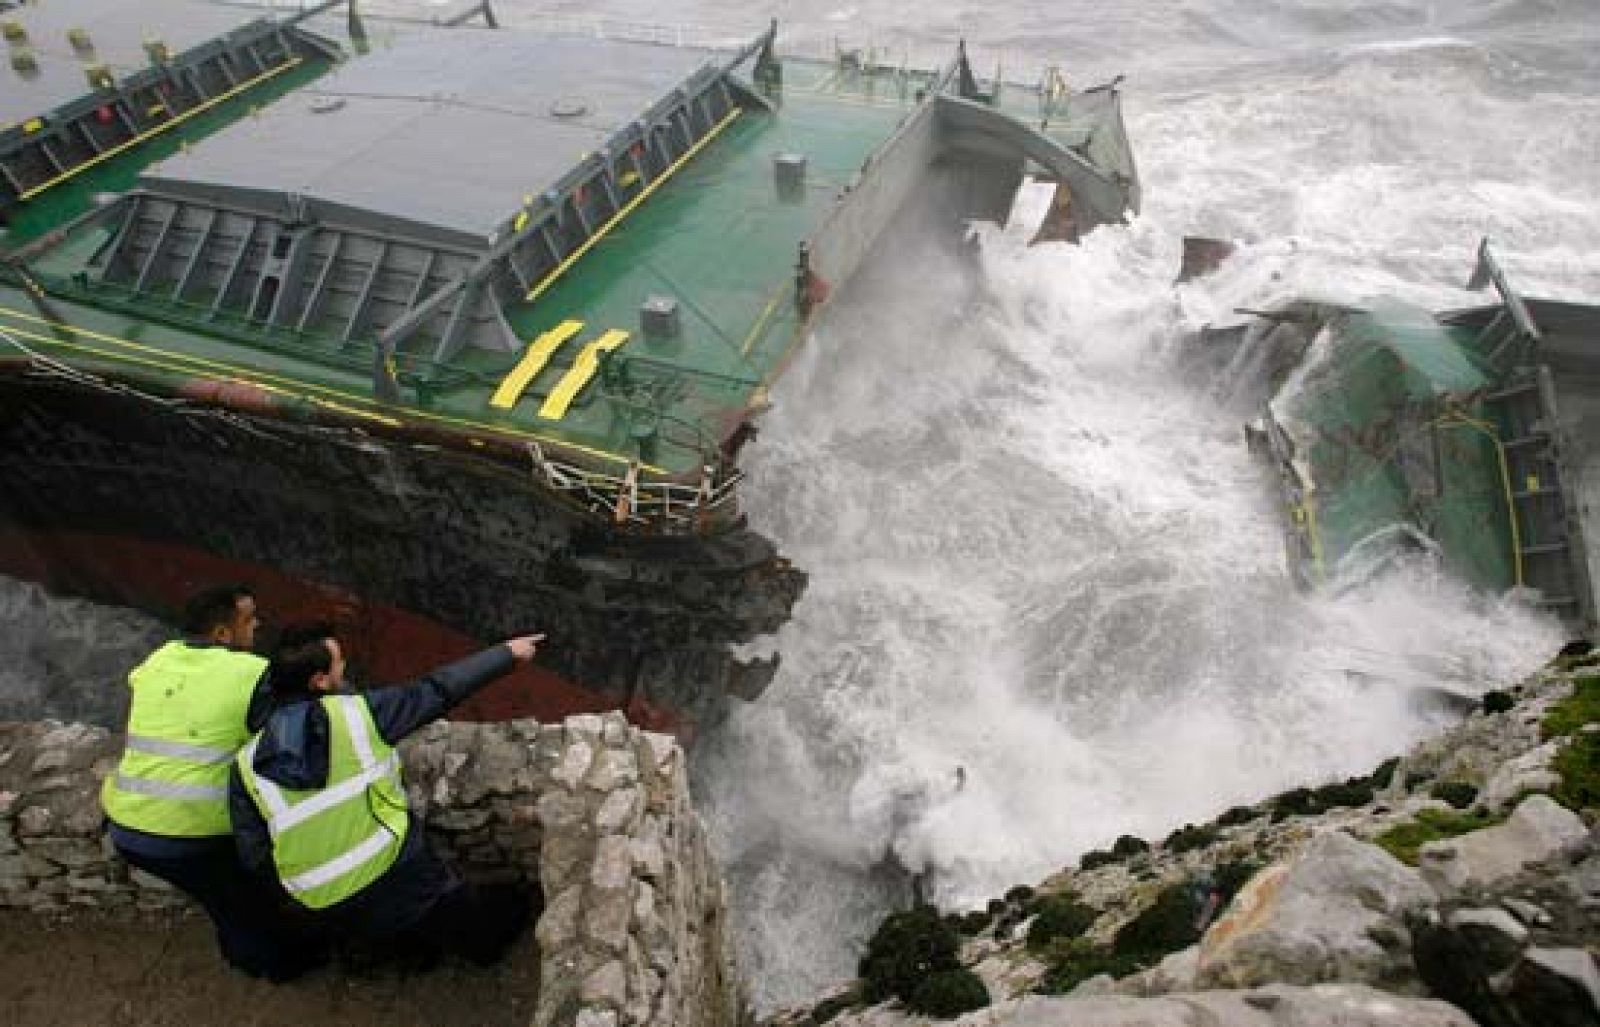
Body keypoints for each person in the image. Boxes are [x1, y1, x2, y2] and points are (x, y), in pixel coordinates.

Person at [230, 623, 543, 968]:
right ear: (319, 681)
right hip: (396, 870)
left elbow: (254, 854)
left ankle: (401, 952)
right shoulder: (360, 715)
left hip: (319, 896)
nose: (344, 667)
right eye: (339, 662)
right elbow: (437, 690)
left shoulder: (244, 764)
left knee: (377, 924)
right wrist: (506, 654)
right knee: (470, 918)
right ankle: (483, 948)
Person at [102, 584, 317, 980]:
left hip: (126, 824)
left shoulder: (158, 660)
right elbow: (289, 736)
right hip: (189, 833)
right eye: (249, 619)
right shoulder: (252, 672)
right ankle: (275, 965)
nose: (258, 625)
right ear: (222, 634)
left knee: (222, 898)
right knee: (243, 902)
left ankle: (250, 947)